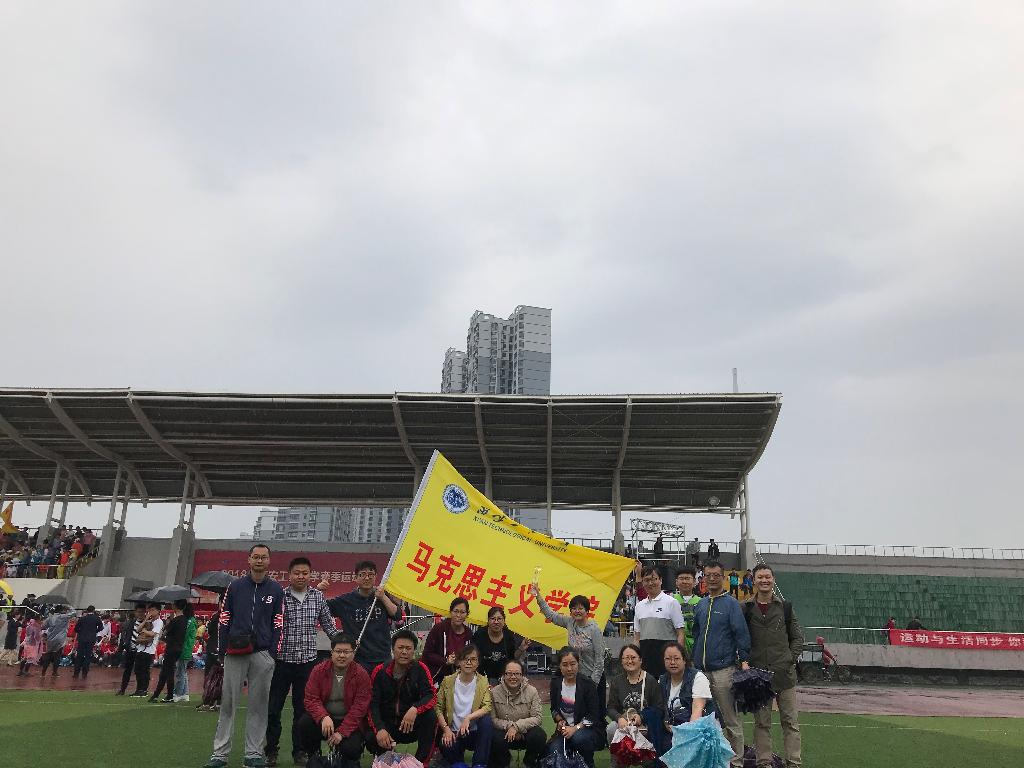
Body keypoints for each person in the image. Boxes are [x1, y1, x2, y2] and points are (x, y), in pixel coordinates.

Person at [204, 543, 285, 768]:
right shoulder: (236, 587)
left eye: (263, 557)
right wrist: (222, 650)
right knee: (228, 704)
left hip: (262, 654)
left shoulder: (276, 590)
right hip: (235, 652)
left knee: (259, 706)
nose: (259, 561)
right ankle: (220, 755)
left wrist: (272, 652)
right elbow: (224, 618)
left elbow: (278, 621)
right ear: (248, 560)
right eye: (255, 557)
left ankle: (253, 754)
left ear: (269, 561)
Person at [268, 556, 338, 767]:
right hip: (281, 662)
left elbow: (329, 625)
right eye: (297, 573)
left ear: (310, 575)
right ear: (289, 575)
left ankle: (300, 751)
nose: (301, 576)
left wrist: (345, 643)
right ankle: (270, 751)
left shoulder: (318, 597)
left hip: (307, 663)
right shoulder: (280, 596)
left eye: (305, 573)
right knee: (273, 709)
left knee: (303, 710)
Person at [691, 561, 751, 768]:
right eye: (708, 575)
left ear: (723, 577)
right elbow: (696, 634)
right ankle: (707, 760)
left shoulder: (732, 604)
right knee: (700, 718)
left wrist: (744, 660)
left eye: (716, 575)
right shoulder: (701, 604)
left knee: (730, 718)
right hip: (701, 671)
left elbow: (741, 634)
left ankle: (736, 762)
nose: (712, 578)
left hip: (724, 670)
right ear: (703, 578)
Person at [743, 564, 803, 768]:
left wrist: (789, 660)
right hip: (758, 676)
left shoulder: (785, 608)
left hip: (784, 676)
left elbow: (798, 638)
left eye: (767, 577)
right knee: (762, 723)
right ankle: (764, 764)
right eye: (760, 577)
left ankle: (793, 763)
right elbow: (741, 639)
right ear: (753, 580)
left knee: (790, 722)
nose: (764, 580)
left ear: (773, 579)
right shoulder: (746, 608)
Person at [365, 629, 438, 763]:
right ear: (393, 649)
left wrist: (415, 709)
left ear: (414, 650)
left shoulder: (420, 669)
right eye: (400, 648)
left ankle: (421, 763)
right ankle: (383, 757)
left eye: (408, 648)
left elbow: (431, 695)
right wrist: (380, 729)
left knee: (431, 716)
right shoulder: (380, 671)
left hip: (410, 725)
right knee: (371, 736)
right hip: (388, 725)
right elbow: (373, 704)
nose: (404, 652)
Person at [297, 634, 371, 765]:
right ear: (331, 652)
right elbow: (311, 699)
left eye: (346, 652)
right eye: (338, 651)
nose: (342, 655)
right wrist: (323, 717)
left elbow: (360, 708)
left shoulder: (361, 674)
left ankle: (345, 758)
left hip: (349, 721)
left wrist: (341, 732)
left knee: (351, 749)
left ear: (353, 653)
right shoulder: (318, 671)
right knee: (305, 724)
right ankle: (314, 755)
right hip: (326, 720)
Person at [320, 559, 403, 674]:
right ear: (355, 578)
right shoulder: (345, 601)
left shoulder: (382, 597)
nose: (367, 578)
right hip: (358, 659)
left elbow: (397, 616)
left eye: (371, 574)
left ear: (376, 577)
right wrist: (320, 591)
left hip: (383, 657)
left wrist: (383, 597)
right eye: (363, 574)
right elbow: (321, 609)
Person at [531, 583, 606, 701]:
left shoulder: (594, 629)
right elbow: (551, 615)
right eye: (574, 608)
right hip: (575, 677)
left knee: (594, 711)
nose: (577, 611)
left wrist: (593, 683)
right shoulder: (570, 622)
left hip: (592, 678)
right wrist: (538, 596)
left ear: (587, 611)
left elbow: (600, 659)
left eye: (580, 608)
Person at [435, 644, 494, 768]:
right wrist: (446, 729)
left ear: (478, 663)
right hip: (454, 732)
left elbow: (487, 706)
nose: (468, 662)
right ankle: (458, 763)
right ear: (458, 662)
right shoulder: (447, 681)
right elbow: (438, 707)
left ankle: (479, 764)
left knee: (486, 721)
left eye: (473, 659)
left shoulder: (483, 681)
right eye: (465, 659)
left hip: (474, 732)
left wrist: (468, 718)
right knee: (447, 747)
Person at [605, 643, 666, 754]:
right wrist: (619, 718)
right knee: (611, 728)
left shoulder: (651, 681)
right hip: (624, 723)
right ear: (621, 661)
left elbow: (659, 708)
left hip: (645, 724)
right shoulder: (617, 681)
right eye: (626, 658)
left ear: (640, 660)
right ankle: (618, 760)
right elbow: (611, 708)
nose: (630, 661)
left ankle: (648, 758)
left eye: (633, 657)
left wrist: (641, 717)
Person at [548, 647, 603, 768]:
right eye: (565, 665)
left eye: (573, 664)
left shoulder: (588, 684)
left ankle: (588, 762)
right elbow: (553, 710)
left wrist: (575, 728)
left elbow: (593, 715)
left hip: (587, 730)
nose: (569, 668)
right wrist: (559, 720)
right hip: (565, 731)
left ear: (578, 664)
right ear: (559, 666)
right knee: (554, 751)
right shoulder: (555, 684)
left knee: (578, 738)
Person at [489, 659, 545, 768]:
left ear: (522, 675)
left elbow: (537, 718)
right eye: (509, 673)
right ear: (504, 675)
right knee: (493, 736)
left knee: (539, 735)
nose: (513, 677)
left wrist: (517, 727)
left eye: (517, 673)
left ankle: (528, 762)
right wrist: (509, 726)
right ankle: (504, 762)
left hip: (525, 733)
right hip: (504, 734)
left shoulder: (532, 691)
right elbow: (493, 719)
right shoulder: (494, 692)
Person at [633, 567, 686, 678]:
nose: (650, 583)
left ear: (660, 580)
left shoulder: (672, 602)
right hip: (646, 660)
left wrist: (678, 658)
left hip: (667, 661)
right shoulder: (639, 606)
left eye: (654, 579)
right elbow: (637, 638)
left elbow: (680, 634)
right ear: (643, 582)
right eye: (646, 580)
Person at [658, 641, 713, 733]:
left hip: (699, 728)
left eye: (676, 658)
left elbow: (697, 710)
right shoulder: (662, 680)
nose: (672, 662)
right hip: (672, 728)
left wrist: (688, 734)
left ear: (684, 660)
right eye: (668, 659)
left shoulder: (698, 677)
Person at [473, 606, 529, 685]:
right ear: (488, 620)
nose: (496, 622)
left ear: (504, 621)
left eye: (499, 619)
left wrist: (521, 649)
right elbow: (473, 657)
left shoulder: (508, 635)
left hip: (504, 679)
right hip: (482, 679)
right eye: (493, 619)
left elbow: (512, 659)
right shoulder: (479, 635)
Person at [423, 597, 473, 681]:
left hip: (459, 678)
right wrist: (445, 660)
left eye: (462, 612)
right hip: (437, 677)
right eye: (456, 611)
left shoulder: (468, 633)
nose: (458, 615)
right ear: (450, 612)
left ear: (467, 614)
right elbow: (427, 654)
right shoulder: (439, 628)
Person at [150, 600, 188, 703]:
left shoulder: (175, 620)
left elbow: (164, 633)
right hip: (178, 648)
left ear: (175, 606)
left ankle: (159, 695)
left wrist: (168, 624)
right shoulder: (185, 620)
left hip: (171, 648)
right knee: (168, 671)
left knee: (165, 672)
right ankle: (166, 695)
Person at [116, 604, 147, 695]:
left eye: (142, 612)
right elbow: (125, 636)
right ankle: (122, 689)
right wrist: (122, 648)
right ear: (135, 612)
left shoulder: (147, 624)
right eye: (138, 612)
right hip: (130, 649)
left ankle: (140, 689)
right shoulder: (130, 623)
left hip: (141, 650)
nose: (140, 614)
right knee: (127, 670)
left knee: (139, 670)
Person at [671, 566, 701, 655]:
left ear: (694, 582)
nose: (684, 581)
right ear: (676, 582)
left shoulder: (701, 602)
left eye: (687, 578)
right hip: (674, 647)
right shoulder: (670, 600)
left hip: (696, 648)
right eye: (681, 578)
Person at [40, 604, 74, 678]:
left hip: (50, 639)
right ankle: (54, 672)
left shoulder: (50, 618)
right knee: (57, 656)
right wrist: (68, 606)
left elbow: (43, 626)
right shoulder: (64, 617)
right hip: (60, 639)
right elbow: (73, 613)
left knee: (48, 655)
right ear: (61, 610)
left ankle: (43, 672)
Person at [71, 604, 104, 680]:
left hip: (82, 638)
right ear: (93, 611)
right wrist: (95, 631)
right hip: (91, 639)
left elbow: (76, 629)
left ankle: (76, 673)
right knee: (88, 656)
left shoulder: (82, 619)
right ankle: (84, 673)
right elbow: (101, 627)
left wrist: (81, 632)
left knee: (79, 656)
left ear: (87, 610)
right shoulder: (96, 618)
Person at [174, 604, 198, 702]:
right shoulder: (192, 620)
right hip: (187, 648)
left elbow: (183, 634)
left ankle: (178, 693)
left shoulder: (189, 621)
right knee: (183, 672)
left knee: (180, 672)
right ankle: (185, 693)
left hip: (184, 648)